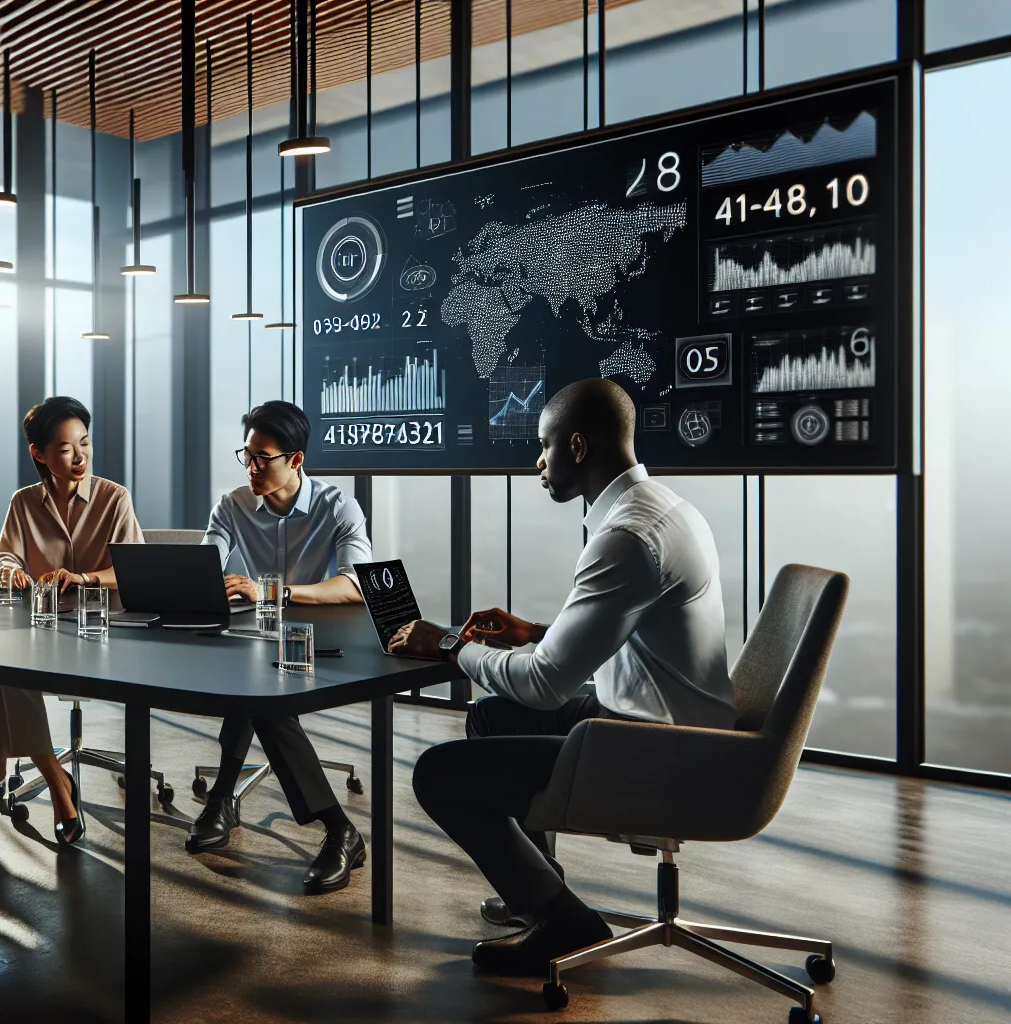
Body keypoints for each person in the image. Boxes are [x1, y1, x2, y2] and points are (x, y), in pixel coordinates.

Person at [395, 378, 734, 975]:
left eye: (544, 445)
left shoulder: (627, 537)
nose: (538, 461)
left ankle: (563, 921)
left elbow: (546, 685)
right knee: (492, 716)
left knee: (438, 774)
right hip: (670, 720)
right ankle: (540, 888)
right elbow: (625, 630)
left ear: (577, 447)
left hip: (659, 749)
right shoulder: (660, 508)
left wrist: (449, 645)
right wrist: (531, 634)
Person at [185, 400, 374, 894]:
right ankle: (329, 827)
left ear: (295, 460)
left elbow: (357, 586)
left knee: (258, 690)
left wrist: (274, 593)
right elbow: (203, 566)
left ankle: (333, 826)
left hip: (324, 642)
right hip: (257, 638)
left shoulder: (339, 507)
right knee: (254, 681)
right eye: (246, 455)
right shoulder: (233, 505)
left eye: (262, 458)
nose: (251, 468)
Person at [0, 396, 135, 845]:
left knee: (8, 671)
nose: (80, 456)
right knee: (5, 671)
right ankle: (57, 782)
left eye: (85, 444)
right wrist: (11, 571)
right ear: (39, 454)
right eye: (67, 448)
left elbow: (134, 571)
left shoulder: (114, 498)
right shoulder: (24, 503)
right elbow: (4, 556)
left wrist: (85, 576)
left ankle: (30, 779)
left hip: (104, 634)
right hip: (43, 631)